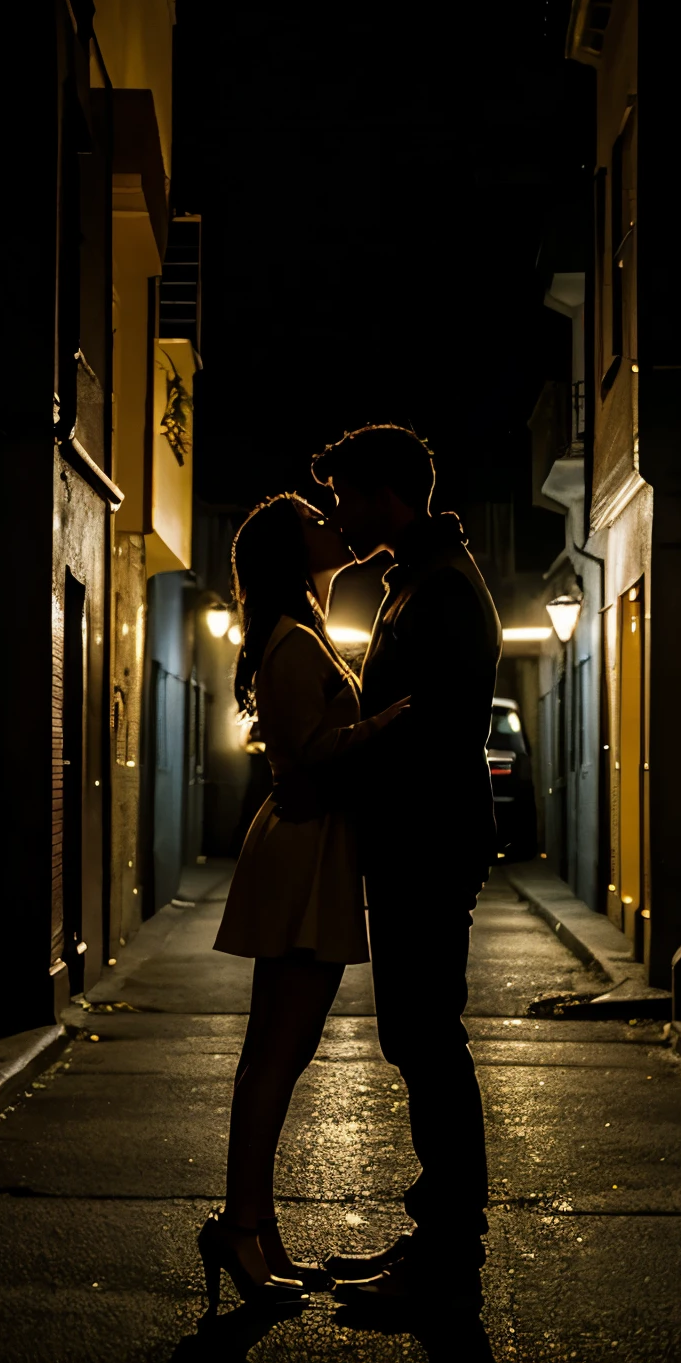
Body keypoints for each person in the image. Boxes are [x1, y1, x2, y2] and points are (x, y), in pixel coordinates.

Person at [291, 423, 502, 1309]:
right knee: (416, 1037)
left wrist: (345, 761)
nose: (337, 510)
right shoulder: (419, 578)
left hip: (427, 842)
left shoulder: (439, 589)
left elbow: (436, 730)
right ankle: (436, 1241)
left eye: (345, 494)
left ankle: (448, 1256)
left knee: (426, 1037)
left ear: (386, 494)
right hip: (416, 840)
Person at [200, 492, 409, 1316]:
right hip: (302, 850)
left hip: (313, 848)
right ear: (292, 551)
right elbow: (315, 756)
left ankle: (253, 1223)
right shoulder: (292, 642)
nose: (334, 523)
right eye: (316, 521)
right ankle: (242, 1225)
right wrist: (389, 722)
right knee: (275, 1056)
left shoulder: (300, 632)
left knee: (279, 1054)